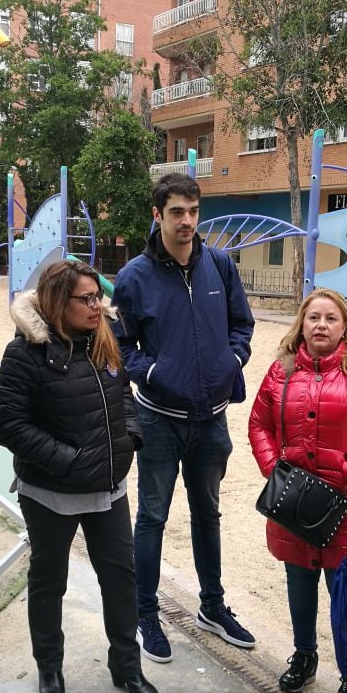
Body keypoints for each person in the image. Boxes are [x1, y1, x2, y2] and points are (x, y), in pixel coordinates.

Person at [0, 260, 159, 693]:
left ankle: (126, 664)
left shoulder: (103, 341)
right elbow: (8, 425)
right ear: (55, 302)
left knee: (121, 579)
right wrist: (68, 459)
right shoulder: (26, 353)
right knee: (49, 581)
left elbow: (125, 394)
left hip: (108, 488)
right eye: (86, 299)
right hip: (50, 493)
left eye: (97, 297)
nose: (97, 306)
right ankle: (49, 667)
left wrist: (131, 437)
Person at [112, 172, 256, 663]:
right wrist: (152, 370)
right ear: (158, 215)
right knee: (151, 517)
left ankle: (212, 606)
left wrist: (232, 360)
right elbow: (118, 347)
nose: (187, 221)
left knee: (208, 514)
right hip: (159, 420)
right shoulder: (134, 277)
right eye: (177, 212)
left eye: (194, 211)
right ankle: (145, 611)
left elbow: (243, 324)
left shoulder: (219, 266)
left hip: (211, 418)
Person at [248, 288, 347, 693]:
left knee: (345, 592)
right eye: (313, 317)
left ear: (344, 327)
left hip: (346, 506)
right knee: (299, 586)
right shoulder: (281, 372)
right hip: (293, 503)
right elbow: (259, 423)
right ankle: (305, 654)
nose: (321, 325)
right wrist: (274, 468)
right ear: (302, 323)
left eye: (331, 319)